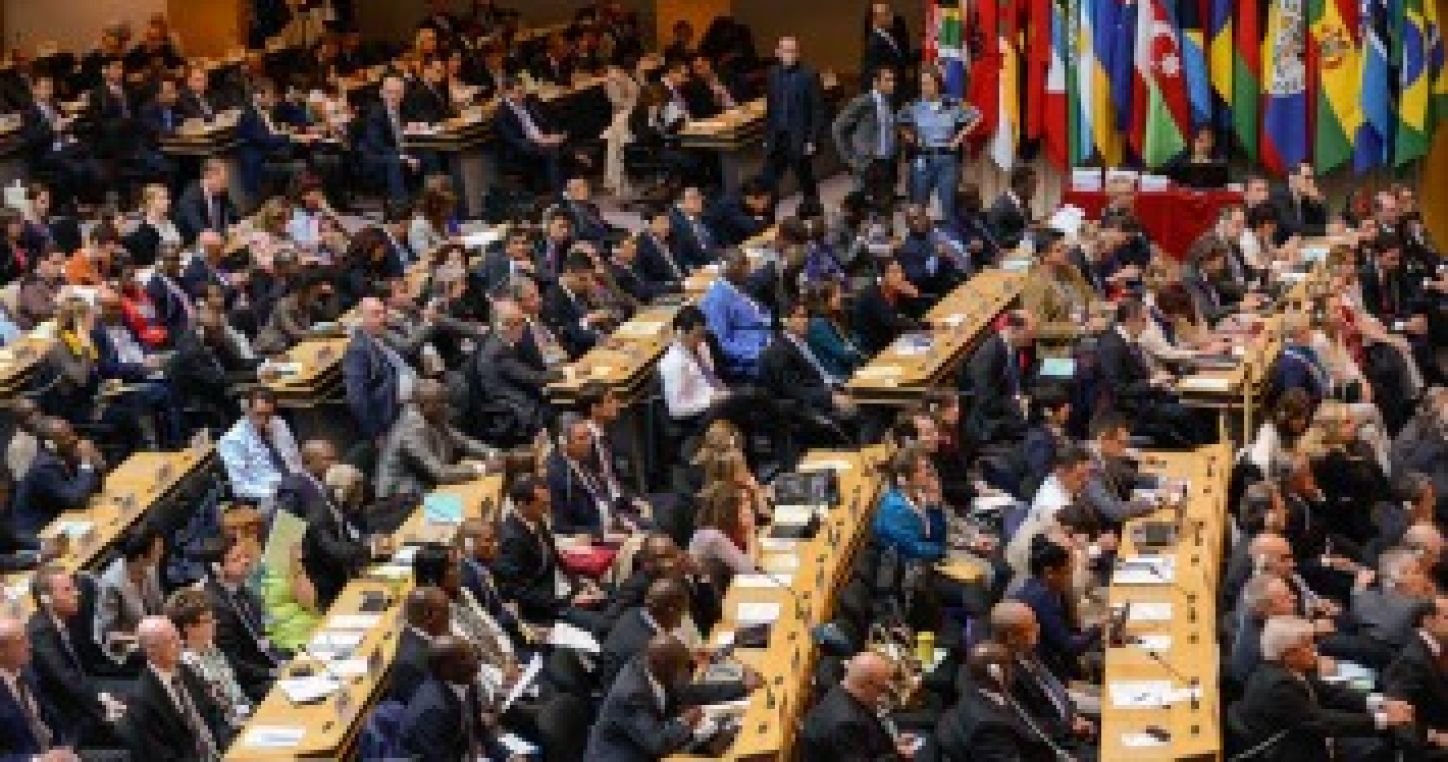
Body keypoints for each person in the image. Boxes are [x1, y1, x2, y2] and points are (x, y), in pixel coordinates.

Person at [1231, 616, 1414, 761]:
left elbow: (1331, 693)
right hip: (1290, 750)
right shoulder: (1278, 687)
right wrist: (1383, 720)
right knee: (1375, 747)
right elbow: (1322, 721)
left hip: (1305, 733)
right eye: (1307, 645)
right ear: (1289, 653)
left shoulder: (1284, 668)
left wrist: (1381, 702)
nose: (1315, 649)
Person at [494, 475, 609, 630]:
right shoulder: (512, 540)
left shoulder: (536, 519)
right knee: (602, 625)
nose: (548, 510)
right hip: (541, 609)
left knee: (611, 596)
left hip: (558, 591)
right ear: (522, 505)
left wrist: (580, 584)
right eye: (542, 505)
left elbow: (556, 558)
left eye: (548, 504)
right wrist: (569, 601)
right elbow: (520, 592)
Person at [585, 634, 726, 759]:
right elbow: (658, 743)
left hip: (647, 742)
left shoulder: (653, 667)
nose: (685, 674)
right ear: (664, 667)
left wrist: (742, 686)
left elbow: (692, 692)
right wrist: (685, 721)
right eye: (681, 668)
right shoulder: (632, 695)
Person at [27, 565, 119, 748]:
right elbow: (67, 680)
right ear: (46, 599)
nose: (77, 593)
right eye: (67, 590)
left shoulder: (69, 617)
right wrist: (103, 705)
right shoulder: (40, 633)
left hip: (86, 695)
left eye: (74, 587)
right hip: (70, 722)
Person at [933, 641, 1058, 761]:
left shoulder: (978, 691)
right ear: (996, 674)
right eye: (1009, 665)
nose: (1013, 671)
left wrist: (1063, 729)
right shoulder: (988, 727)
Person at [126, 615, 228, 760]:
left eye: (177, 636)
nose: (180, 643)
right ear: (151, 650)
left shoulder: (185, 670)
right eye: (171, 640)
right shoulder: (142, 700)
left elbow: (214, 714)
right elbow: (162, 756)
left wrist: (229, 747)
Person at [375, 378, 494, 498]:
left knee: (479, 494)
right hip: (399, 498)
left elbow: (464, 442)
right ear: (424, 406)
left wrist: (493, 454)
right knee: (460, 508)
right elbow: (441, 474)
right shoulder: (411, 431)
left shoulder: (433, 416)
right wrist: (483, 468)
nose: (446, 406)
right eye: (441, 402)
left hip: (421, 487)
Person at [204, 537, 284, 704]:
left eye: (245, 555)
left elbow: (264, 632)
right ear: (217, 568)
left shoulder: (242, 588)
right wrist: (272, 673)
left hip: (271, 663)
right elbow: (233, 662)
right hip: (251, 682)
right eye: (236, 559)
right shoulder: (217, 606)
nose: (246, 561)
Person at [799, 650, 920, 759]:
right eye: (882, 688)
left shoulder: (839, 691)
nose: (882, 695)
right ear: (867, 686)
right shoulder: (845, 725)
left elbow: (868, 740)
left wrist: (894, 745)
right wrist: (899, 756)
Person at [1013, 538, 1101, 682]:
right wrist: (1099, 627)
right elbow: (1069, 647)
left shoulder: (1036, 587)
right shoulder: (1041, 599)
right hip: (1056, 676)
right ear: (1049, 572)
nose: (1068, 578)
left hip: (1059, 665)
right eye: (1066, 573)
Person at [897, 68, 978, 223]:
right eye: (922, 84)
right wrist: (912, 138)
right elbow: (898, 122)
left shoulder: (951, 103)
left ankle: (949, 239)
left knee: (948, 204)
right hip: (923, 158)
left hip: (946, 158)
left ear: (937, 84)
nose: (925, 88)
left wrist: (958, 138)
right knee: (918, 205)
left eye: (928, 83)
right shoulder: (915, 105)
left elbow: (977, 116)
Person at [164, 588, 250, 732]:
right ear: (189, 628)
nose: (215, 623)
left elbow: (235, 692)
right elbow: (218, 714)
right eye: (208, 621)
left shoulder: (210, 647)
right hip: (230, 730)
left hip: (245, 714)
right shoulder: (187, 666)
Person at [11, 418, 103, 540]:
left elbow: (92, 489)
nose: (74, 439)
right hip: (37, 534)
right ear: (50, 444)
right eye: (65, 437)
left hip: (63, 520)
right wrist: (86, 462)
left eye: (72, 433)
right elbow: (77, 499)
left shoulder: (66, 455)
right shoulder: (44, 468)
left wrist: (96, 462)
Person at [0, 615, 76, 761]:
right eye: (20, 641)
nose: (30, 646)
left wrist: (66, 748)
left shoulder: (27, 673)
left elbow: (52, 717)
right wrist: (39, 760)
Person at [762, 36, 826, 206]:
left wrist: (812, 139)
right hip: (777, 138)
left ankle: (813, 212)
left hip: (799, 138)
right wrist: (767, 137)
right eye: (786, 50)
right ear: (778, 53)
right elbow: (771, 108)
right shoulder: (772, 74)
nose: (790, 54)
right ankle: (767, 220)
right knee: (767, 182)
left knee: (805, 180)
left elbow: (818, 110)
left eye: (794, 51)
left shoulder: (809, 75)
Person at [1382, 594, 1448, 753]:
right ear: (1428, 621)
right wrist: (1434, 737)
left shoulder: (1440, 646)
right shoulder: (1411, 661)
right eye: (1447, 617)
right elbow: (1398, 716)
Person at [217, 387, 302, 510]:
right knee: (293, 509)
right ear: (247, 410)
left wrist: (301, 480)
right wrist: (275, 493)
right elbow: (240, 487)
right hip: (268, 496)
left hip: (294, 484)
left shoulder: (279, 423)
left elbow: (294, 458)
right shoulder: (233, 440)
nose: (264, 421)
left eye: (269, 415)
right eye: (259, 414)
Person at [299, 463, 371, 608]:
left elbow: (351, 539)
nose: (360, 498)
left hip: (348, 578)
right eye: (355, 494)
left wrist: (369, 541)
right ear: (340, 493)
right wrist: (371, 548)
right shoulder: (318, 519)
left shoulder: (337, 509)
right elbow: (337, 552)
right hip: (331, 593)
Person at [343, 296, 408, 457]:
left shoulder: (381, 336)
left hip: (405, 404)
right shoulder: (357, 350)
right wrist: (376, 433)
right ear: (361, 319)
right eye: (375, 314)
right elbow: (357, 398)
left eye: (383, 313)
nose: (382, 318)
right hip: (390, 418)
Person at [959, 310, 1035, 446]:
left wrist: (1023, 399)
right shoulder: (988, 355)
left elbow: (1016, 383)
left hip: (1009, 411)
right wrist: (1015, 405)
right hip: (988, 423)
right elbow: (985, 399)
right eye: (1028, 334)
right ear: (1012, 329)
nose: (1031, 339)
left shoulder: (1014, 348)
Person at [832, 66, 899, 214]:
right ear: (876, 83)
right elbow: (837, 127)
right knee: (864, 210)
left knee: (885, 209)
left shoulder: (889, 102)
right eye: (888, 80)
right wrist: (849, 158)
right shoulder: (862, 102)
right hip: (866, 163)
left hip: (885, 163)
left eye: (893, 80)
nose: (892, 84)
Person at [698, 250, 772, 379]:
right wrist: (759, 353)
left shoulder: (736, 287)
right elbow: (722, 344)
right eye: (745, 266)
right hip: (750, 358)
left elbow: (757, 315)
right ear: (734, 270)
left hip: (766, 339)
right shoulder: (716, 300)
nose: (749, 271)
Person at [494, 75, 569, 192]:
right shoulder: (502, 114)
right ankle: (561, 196)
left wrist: (553, 134)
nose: (522, 95)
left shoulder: (531, 101)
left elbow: (549, 118)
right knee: (552, 152)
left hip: (541, 140)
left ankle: (573, 191)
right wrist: (540, 141)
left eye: (523, 90)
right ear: (508, 93)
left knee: (564, 144)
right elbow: (513, 140)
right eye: (518, 92)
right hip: (521, 150)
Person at [173, 158, 238, 245]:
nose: (226, 185)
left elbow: (232, 212)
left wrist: (233, 225)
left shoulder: (220, 190)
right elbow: (203, 233)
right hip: (191, 246)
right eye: (223, 181)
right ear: (209, 177)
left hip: (217, 239)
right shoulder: (190, 200)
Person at [986, 166, 1036, 250]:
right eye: (1032, 185)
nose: (1034, 190)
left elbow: (1024, 226)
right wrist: (1028, 231)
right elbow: (998, 240)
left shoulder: (1023, 203)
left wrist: (1041, 224)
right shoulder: (1001, 207)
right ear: (1020, 184)